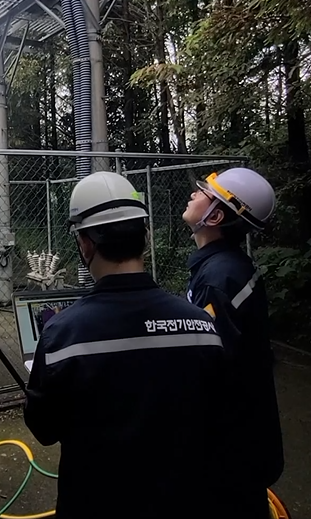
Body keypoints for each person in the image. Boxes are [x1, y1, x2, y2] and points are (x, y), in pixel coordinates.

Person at [24, 171, 234, 519]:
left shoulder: (62, 335)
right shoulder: (202, 326)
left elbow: (45, 429)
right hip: (186, 502)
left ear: (85, 244)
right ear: (145, 237)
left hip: (95, 503)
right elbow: (219, 415)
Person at [183, 167, 284, 517]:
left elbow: (208, 368)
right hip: (247, 440)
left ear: (216, 214)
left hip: (229, 454)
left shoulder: (218, 280)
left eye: (203, 192)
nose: (194, 194)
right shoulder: (229, 266)